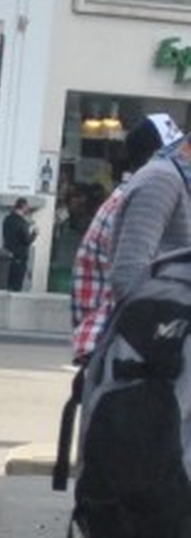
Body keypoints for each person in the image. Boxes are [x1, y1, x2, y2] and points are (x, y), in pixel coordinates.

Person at [73, 115, 182, 359]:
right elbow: (131, 279)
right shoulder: (153, 191)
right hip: (125, 345)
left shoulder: (133, 192)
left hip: (110, 339)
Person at [0, 196, 37, 292]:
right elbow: (26, 240)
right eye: (27, 207)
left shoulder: (7, 219)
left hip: (7, 255)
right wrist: (34, 233)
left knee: (8, 284)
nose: (28, 209)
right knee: (17, 285)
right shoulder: (22, 222)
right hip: (20, 257)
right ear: (23, 206)